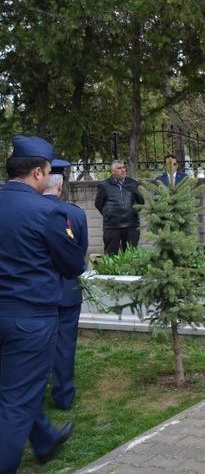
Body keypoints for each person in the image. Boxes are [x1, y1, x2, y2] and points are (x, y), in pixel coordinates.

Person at [0, 136, 87, 471]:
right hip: (30, 319)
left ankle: (45, 439)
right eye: (49, 171)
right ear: (38, 173)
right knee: (15, 402)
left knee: (15, 387)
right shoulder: (48, 211)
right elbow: (72, 265)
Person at [43, 159, 89, 411]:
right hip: (67, 290)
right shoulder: (75, 213)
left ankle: (35, 396)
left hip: (39, 291)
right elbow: (80, 252)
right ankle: (63, 395)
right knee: (65, 344)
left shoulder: (31, 211)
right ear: (60, 186)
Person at [95, 159, 145, 254]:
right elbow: (98, 204)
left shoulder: (133, 184)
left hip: (131, 225)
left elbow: (141, 202)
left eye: (123, 167)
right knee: (111, 255)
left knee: (131, 255)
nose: (123, 170)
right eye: (119, 168)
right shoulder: (104, 186)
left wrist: (132, 213)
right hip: (112, 226)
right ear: (113, 171)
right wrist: (109, 214)